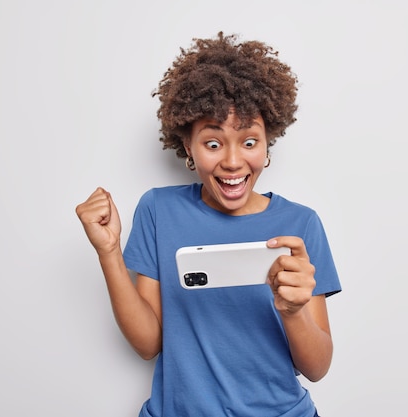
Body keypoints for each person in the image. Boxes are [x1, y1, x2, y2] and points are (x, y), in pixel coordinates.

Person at [76, 31, 341, 417]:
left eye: (249, 142)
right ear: (187, 145)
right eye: (213, 144)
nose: (233, 162)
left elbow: (317, 368)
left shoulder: (300, 224)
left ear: (268, 144)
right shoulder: (157, 211)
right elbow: (149, 343)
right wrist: (109, 252)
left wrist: (293, 310)